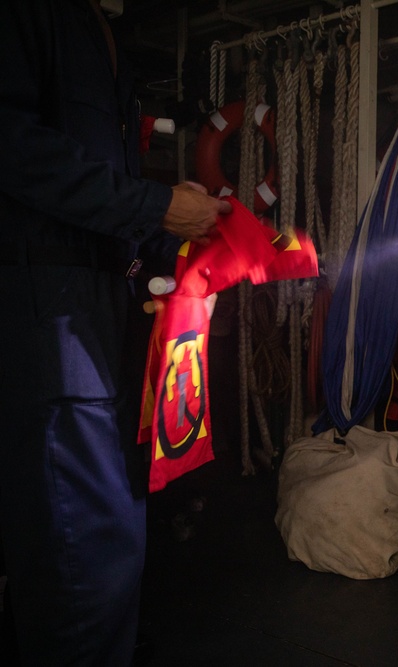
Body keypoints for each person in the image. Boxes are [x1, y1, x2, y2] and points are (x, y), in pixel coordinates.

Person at [0, 1, 231, 665]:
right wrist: (156, 206)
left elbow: (100, 202)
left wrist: (176, 260)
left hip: (97, 312)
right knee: (86, 551)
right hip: (49, 323)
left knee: (103, 547)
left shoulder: (100, 33)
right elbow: (13, 147)